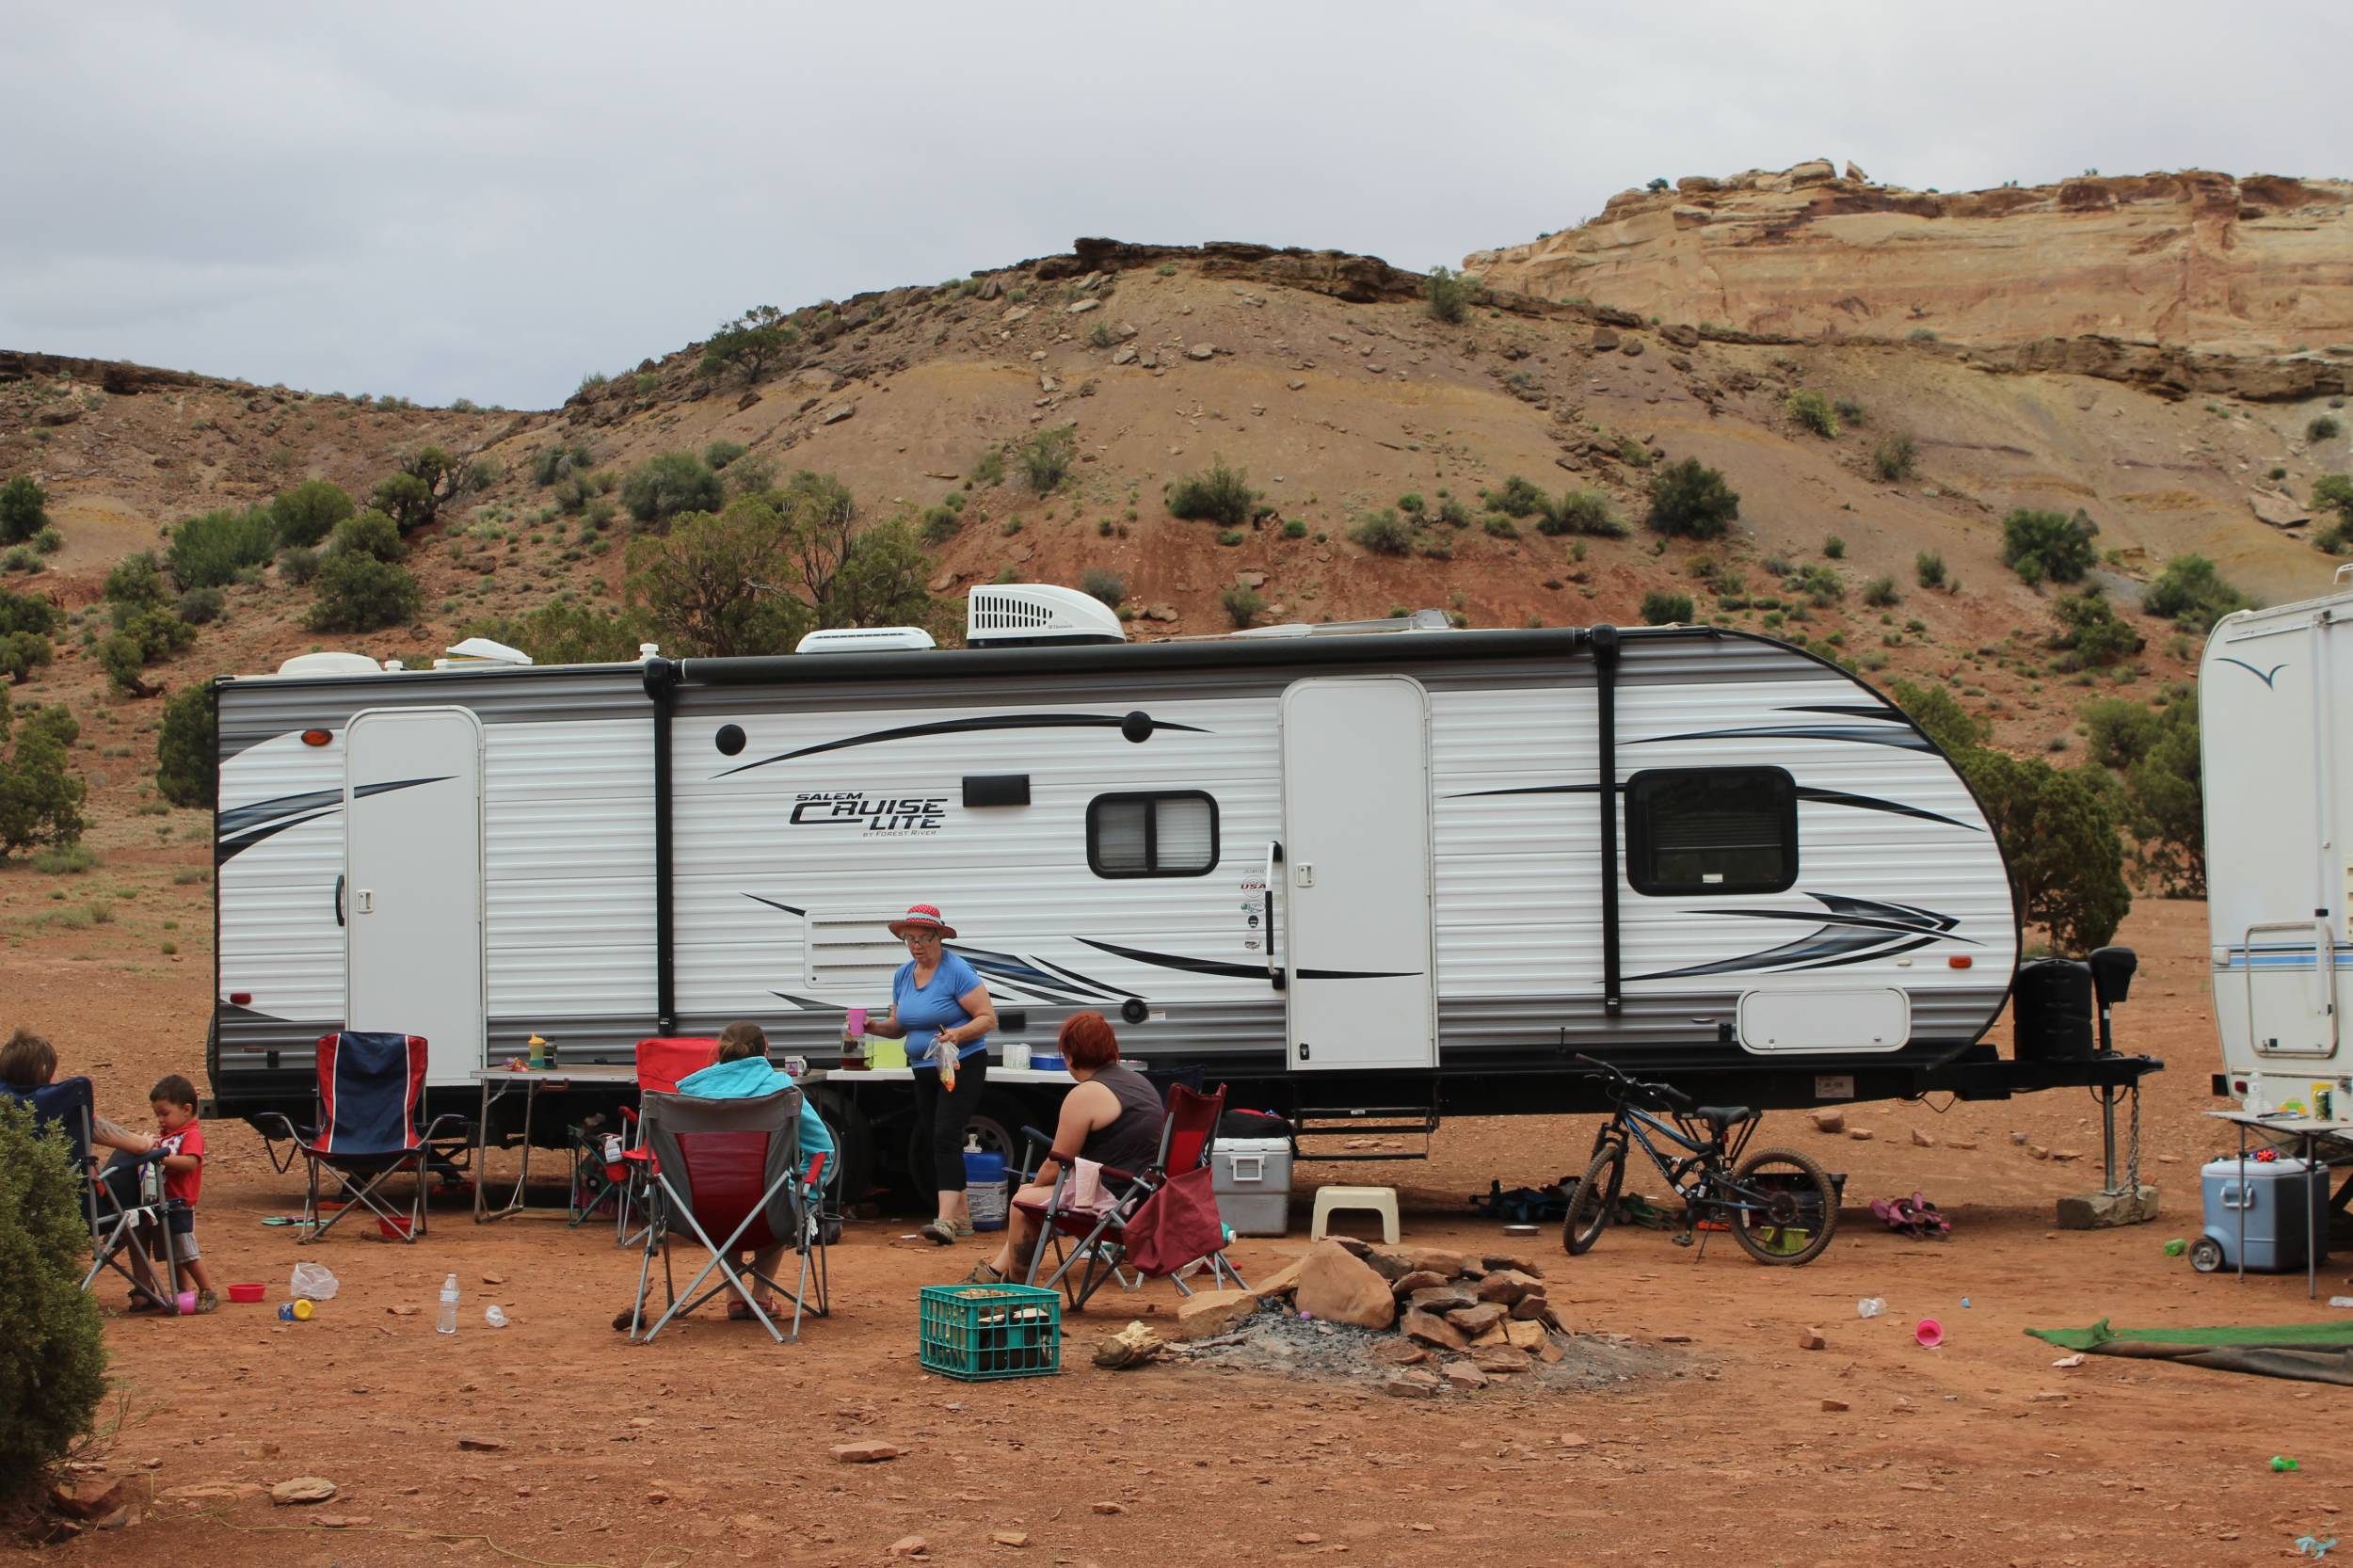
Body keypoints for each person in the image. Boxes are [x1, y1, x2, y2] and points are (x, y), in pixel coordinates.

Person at [612, 1021, 833, 1329]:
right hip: (770, 1215)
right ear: (765, 1050)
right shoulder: (783, 1091)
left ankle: (734, 1295)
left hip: (693, 1215)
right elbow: (823, 1148)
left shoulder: (685, 1092)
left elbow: (658, 1157)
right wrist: (807, 1190)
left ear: (720, 1051)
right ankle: (759, 1296)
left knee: (724, 1193)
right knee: (775, 1193)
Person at [967, 1011, 1161, 1285]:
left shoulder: (1087, 1094)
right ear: (1111, 1049)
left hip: (1116, 1203)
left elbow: (1057, 1163)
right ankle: (995, 1273)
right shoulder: (1139, 1083)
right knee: (1029, 1197)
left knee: (1023, 1201)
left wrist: (1032, 1189)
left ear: (1069, 1057)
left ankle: (1016, 1292)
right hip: (1146, 1197)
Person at [862, 904, 997, 1246]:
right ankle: (964, 1218)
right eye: (910, 939)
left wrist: (957, 1034)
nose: (917, 945)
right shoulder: (903, 975)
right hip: (924, 1068)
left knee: (945, 1137)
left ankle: (946, 1221)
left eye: (924, 938)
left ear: (940, 937)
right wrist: (874, 1027)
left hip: (961, 1063)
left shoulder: (957, 970)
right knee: (936, 1138)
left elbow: (986, 1018)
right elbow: (899, 1027)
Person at [0, 1026, 156, 1156]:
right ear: (43, 1070)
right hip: (66, 1191)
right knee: (128, 1153)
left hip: (11, 1190)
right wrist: (147, 1140)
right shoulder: (59, 1104)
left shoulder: (5, 1106)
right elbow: (139, 1146)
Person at [133, 1074, 217, 1314]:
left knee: (185, 1251)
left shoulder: (191, 1135)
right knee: (172, 1251)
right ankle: (182, 1292)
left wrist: (162, 1157)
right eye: (157, 1115)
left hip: (179, 1202)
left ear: (187, 1109)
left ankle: (207, 1289)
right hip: (165, 1202)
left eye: (165, 1113)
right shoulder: (171, 1136)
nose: (160, 1120)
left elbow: (191, 1162)